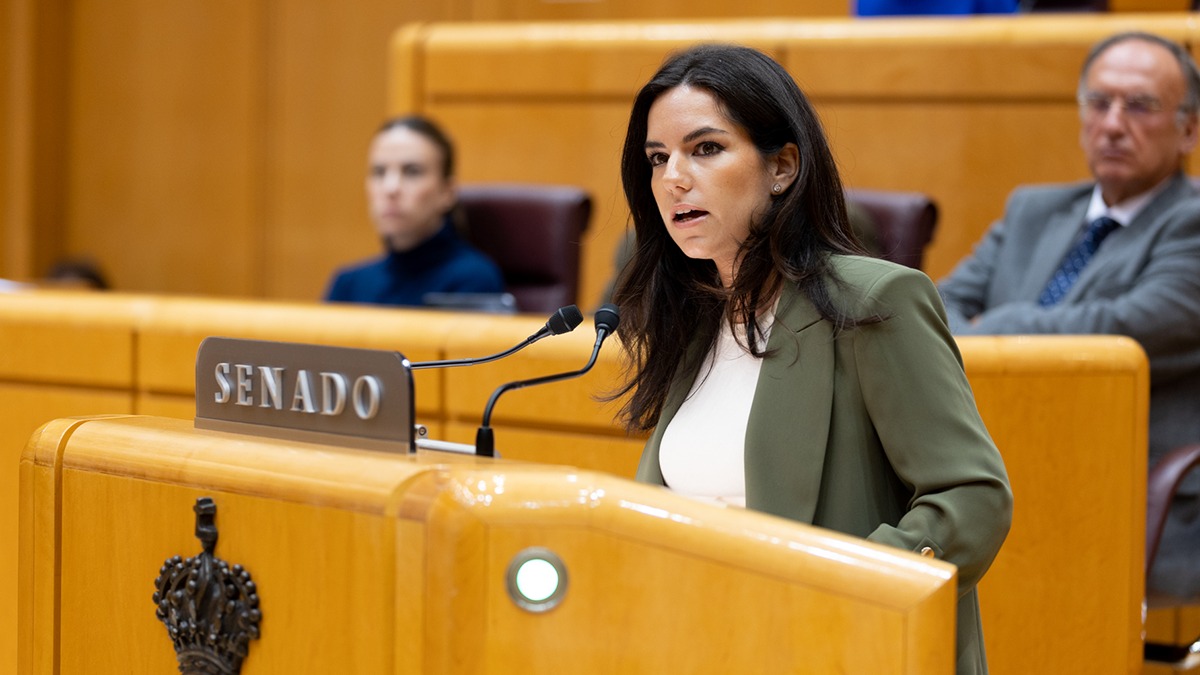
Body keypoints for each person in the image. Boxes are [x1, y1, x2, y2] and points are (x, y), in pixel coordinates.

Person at [610, 44, 1013, 675]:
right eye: (658, 159)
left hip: (840, 648)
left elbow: (972, 496)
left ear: (784, 167)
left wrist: (848, 591)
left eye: (706, 149)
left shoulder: (873, 302)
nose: (673, 179)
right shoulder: (696, 319)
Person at [937, 31, 1200, 600]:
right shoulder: (1034, 208)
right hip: (1002, 465)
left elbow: (1136, 323)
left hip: (1129, 491)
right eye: (1098, 102)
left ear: (1189, 130)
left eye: (1140, 105)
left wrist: (996, 330)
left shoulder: (1191, 221)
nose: (1112, 123)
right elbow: (939, 307)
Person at [324, 115, 506, 307]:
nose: (391, 188)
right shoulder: (348, 285)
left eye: (412, 171)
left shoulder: (473, 280)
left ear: (447, 192)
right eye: (379, 172)